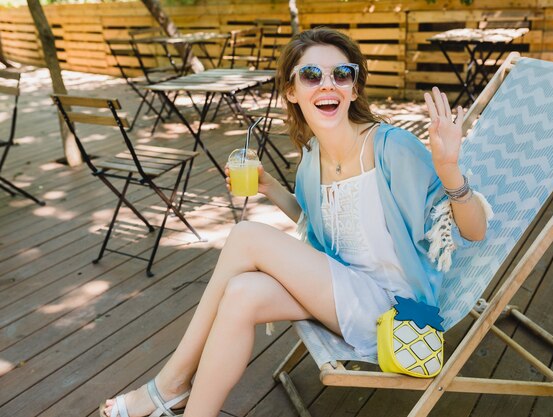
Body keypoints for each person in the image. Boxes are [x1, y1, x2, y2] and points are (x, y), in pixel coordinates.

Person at [100, 27, 491, 417]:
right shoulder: (311, 160)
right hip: (342, 294)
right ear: (291, 91)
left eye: (342, 74)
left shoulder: (391, 147)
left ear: (354, 89)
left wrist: (449, 169)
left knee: (246, 235)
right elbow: (318, 225)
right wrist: (269, 186)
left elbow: (475, 231)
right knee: (242, 292)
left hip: (395, 312)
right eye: (311, 75)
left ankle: (167, 386)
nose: (328, 84)